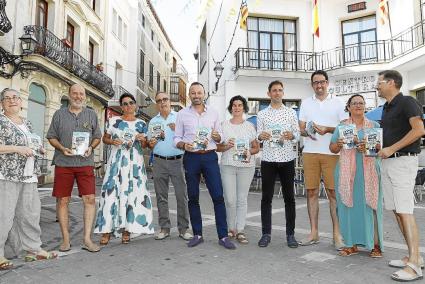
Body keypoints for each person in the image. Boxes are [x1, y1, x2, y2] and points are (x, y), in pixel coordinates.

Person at [174, 82, 236, 249]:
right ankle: (197, 234)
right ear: (189, 95)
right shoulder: (181, 114)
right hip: (191, 157)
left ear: (204, 94)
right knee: (193, 197)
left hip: (209, 157)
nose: (196, 95)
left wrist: (217, 137)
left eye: (199, 92)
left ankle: (223, 237)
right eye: (193, 93)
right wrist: (183, 145)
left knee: (218, 196)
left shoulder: (214, 113)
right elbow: (176, 138)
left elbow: (221, 137)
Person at [0, 88, 57, 270]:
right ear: (2, 103)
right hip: (7, 174)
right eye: (7, 98)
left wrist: (38, 148)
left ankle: (32, 249)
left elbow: (32, 142)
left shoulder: (27, 123)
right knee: (4, 216)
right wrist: (17, 148)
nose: (12, 100)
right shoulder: (1, 121)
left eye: (15, 97)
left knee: (30, 214)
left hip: (28, 174)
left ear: (21, 102)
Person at [376, 70, 424, 282]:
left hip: (403, 161)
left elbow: (419, 130)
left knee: (405, 211)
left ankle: (414, 266)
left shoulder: (407, 102)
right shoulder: (386, 108)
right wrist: (380, 147)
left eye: (379, 82)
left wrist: (391, 148)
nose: (377, 86)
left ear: (391, 83)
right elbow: (392, 134)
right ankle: (415, 257)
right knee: (396, 210)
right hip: (388, 161)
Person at [46, 84, 101, 253]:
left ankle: (87, 239)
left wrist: (91, 147)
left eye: (81, 94)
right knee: (63, 200)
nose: (78, 96)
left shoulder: (91, 114)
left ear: (85, 96)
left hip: (85, 164)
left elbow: (97, 137)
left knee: (90, 199)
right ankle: (65, 240)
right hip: (64, 163)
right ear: (69, 95)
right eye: (75, 93)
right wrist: (62, 148)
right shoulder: (59, 114)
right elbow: (51, 137)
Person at [94, 93, 154, 244]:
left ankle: (127, 230)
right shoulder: (113, 121)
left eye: (131, 103)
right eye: (125, 103)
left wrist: (143, 140)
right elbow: (105, 138)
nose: (128, 106)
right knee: (111, 194)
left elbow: (146, 145)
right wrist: (113, 141)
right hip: (117, 162)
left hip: (135, 164)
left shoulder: (141, 124)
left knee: (132, 195)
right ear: (121, 107)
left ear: (135, 105)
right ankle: (106, 230)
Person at [329, 94, 383, 258]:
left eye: (361, 103)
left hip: (369, 171)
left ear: (365, 106)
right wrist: (338, 144)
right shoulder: (342, 126)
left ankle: (375, 245)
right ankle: (351, 244)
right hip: (346, 172)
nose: (358, 105)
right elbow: (332, 148)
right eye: (354, 103)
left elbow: (380, 149)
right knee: (347, 208)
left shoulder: (373, 125)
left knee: (371, 207)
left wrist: (369, 147)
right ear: (349, 107)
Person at [298, 70, 347, 249]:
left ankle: (337, 235)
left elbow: (345, 128)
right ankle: (314, 233)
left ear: (327, 83)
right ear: (312, 85)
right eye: (315, 82)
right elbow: (301, 128)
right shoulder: (305, 103)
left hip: (332, 154)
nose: (319, 85)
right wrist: (308, 131)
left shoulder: (339, 102)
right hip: (310, 153)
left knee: (334, 194)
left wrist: (327, 129)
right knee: (311, 192)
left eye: (322, 82)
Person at [256, 80, 300, 248]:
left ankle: (291, 235)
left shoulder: (290, 113)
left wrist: (292, 135)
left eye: (280, 90)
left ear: (283, 93)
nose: (277, 93)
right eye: (274, 90)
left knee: (290, 199)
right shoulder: (261, 114)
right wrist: (262, 136)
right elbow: (258, 135)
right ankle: (266, 234)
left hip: (287, 159)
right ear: (269, 93)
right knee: (266, 198)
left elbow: (297, 133)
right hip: (268, 159)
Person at [147, 92, 192, 241]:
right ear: (156, 103)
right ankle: (164, 228)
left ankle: (183, 229)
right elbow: (149, 143)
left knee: (181, 195)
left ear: (170, 101)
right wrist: (151, 143)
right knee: (161, 196)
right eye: (159, 100)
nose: (162, 102)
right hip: (159, 161)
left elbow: (189, 139)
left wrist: (177, 131)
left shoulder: (180, 117)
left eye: (165, 99)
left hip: (177, 160)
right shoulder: (153, 121)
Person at [216, 95, 259, 244]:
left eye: (240, 105)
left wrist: (249, 152)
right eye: (234, 105)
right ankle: (230, 228)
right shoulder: (223, 125)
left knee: (242, 199)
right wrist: (226, 146)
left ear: (244, 108)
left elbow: (256, 147)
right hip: (227, 165)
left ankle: (240, 230)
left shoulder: (250, 126)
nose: (237, 108)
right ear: (231, 108)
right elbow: (217, 147)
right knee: (230, 199)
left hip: (246, 167)